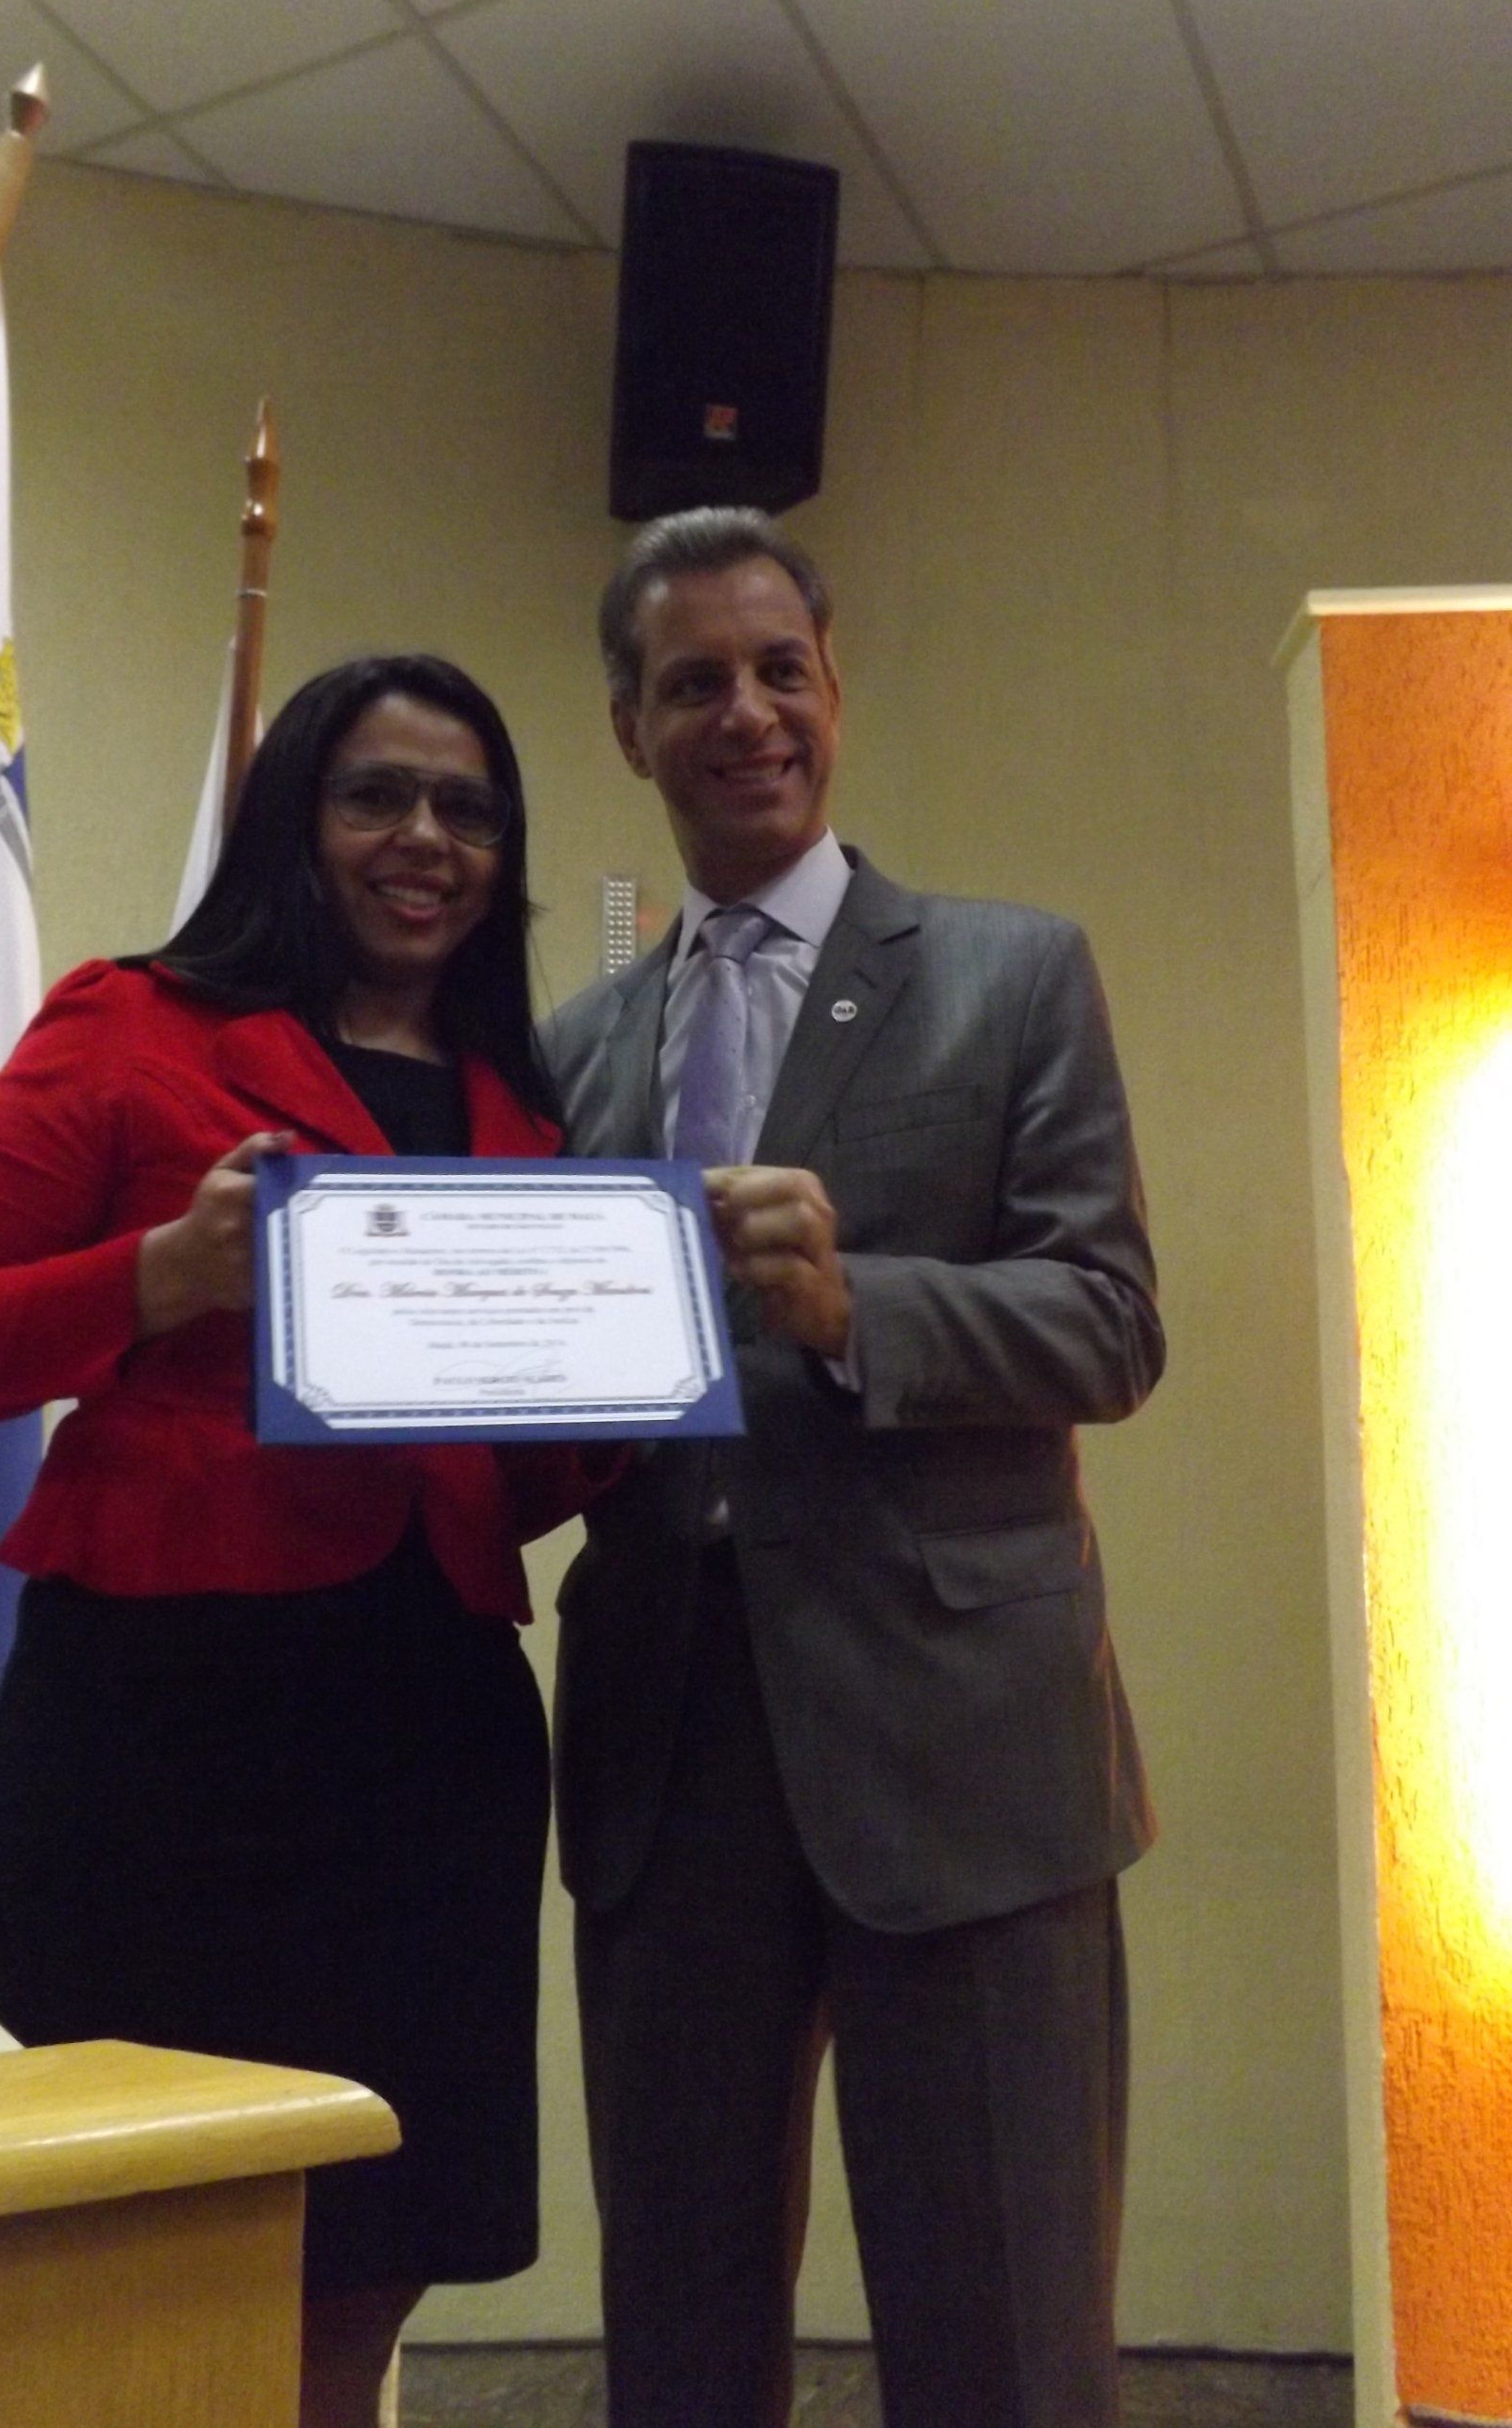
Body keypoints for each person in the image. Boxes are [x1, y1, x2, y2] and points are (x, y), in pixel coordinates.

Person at [0, 655, 599, 2428]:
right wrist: (159, 1276)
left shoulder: (523, 1105)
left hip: (429, 1746)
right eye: (377, 795)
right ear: (293, 821)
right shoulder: (132, 1023)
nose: (426, 838)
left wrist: (637, 1387)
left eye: (469, 809)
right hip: (160, 1741)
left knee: (375, 2245)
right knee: (131, 2261)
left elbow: (494, 1466)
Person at [541, 509, 1164, 2428]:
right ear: (630, 727)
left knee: (1002, 2343)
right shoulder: (574, 1049)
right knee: (679, 2343)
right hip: (668, 1757)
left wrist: (853, 1306)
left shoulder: (1011, 973)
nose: (746, 713)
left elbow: (1109, 1320)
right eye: (694, 684)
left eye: (778, 670)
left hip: (965, 1755)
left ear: (835, 689)